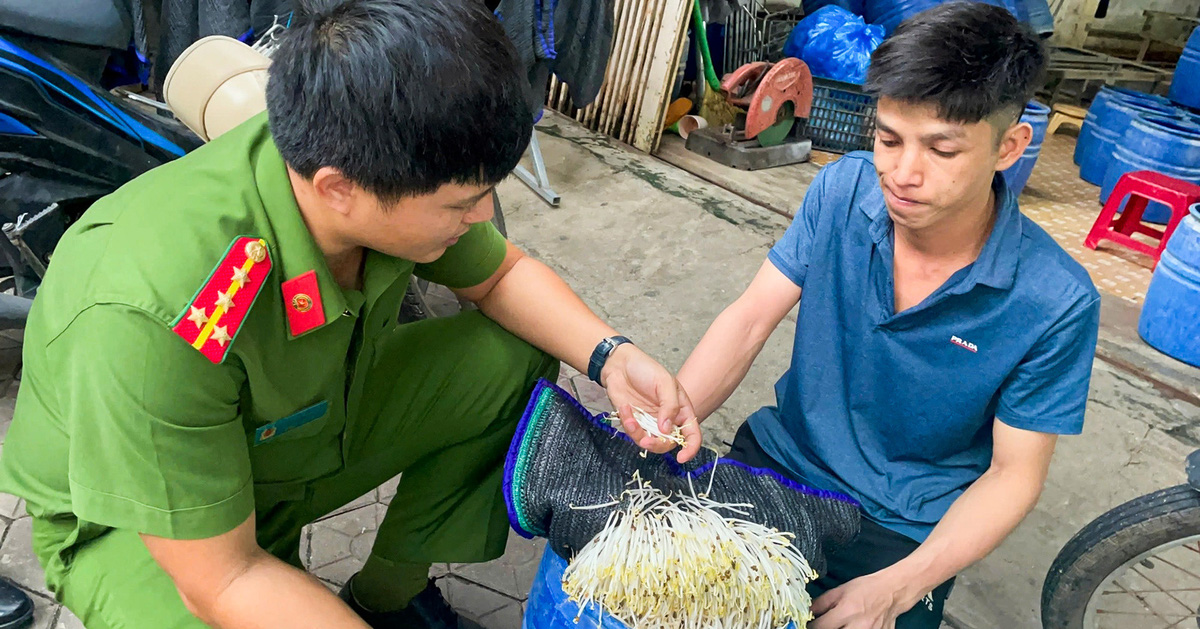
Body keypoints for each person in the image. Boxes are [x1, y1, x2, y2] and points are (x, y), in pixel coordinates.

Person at [0, 2, 700, 628]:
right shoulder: (158, 314)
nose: (482, 216)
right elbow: (224, 575)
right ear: (341, 189)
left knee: (509, 356)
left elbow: (503, 274)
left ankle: (390, 594)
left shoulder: (361, 159)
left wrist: (614, 357)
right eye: (461, 203)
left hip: (289, 433)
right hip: (145, 520)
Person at [626, 3, 1100, 628]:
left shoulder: (1055, 301)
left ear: (1010, 145)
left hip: (903, 529)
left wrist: (899, 588)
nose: (903, 174)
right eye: (887, 138)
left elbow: (1015, 474)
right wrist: (677, 415)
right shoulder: (843, 191)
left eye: (942, 149)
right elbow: (749, 319)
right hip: (782, 461)